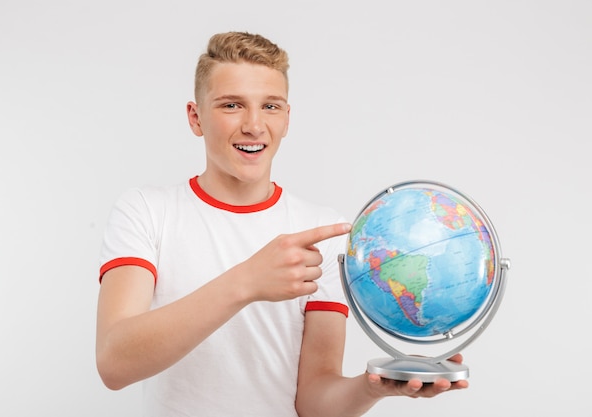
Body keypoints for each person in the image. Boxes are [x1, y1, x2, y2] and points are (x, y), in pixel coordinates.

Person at [95, 31, 468, 417]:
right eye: (232, 105)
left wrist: (373, 387)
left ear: (287, 118)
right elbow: (114, 363)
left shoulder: (322, 229)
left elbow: (312, 402)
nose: (254, 126)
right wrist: (247, 282)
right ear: (196, 117)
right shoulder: (146, 211)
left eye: (270, 107)